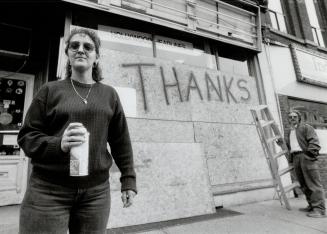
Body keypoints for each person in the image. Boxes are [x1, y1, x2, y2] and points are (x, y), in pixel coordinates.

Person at [17, 28, 137, 233]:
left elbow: (120, 141)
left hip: (96, 194)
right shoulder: (50, 90)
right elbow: (27, 137)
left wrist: (128, 179)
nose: (81, 50)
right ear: (68, 54)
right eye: (75, 46)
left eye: (88, 47)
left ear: (96, 56)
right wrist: (58, 144)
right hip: (48, 191)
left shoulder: (109, 94)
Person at [284, 110, 325, 218]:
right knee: (303, 183)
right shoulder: (289, 131)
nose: (292, 118)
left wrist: (309, 155)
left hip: (305, 156)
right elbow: (289, 147)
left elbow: (314, 142)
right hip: (296, 157)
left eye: (294, 116)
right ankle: (312, 205)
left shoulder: (306, 127)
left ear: (299, 117)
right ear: (288, 119)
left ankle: (319, 210)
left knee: (313, 183)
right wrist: (281, 144)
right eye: (290, 117)